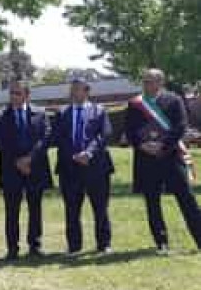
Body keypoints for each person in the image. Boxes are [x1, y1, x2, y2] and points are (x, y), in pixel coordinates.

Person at [126, 68, 201, 253]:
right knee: (152, 202)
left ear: (160, 82)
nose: (146, 85)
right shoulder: (135, 104)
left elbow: (180, 126)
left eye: (150, 81)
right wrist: (142, 145)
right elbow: (130, 130)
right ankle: (161, 243)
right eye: (144, 81)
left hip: (171, 157)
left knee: (187, 199)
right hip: (146, 159)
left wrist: (162, 145)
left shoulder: (174, 100)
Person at [51, 78, 114, 255]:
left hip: (96, 167)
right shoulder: (62, 113)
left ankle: (104, 244)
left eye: (77, 89)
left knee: (100, 208)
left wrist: (88, 153)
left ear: (87, 91)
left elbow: (105, 134)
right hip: (69, 168)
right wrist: (74, 155)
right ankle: (74, 246)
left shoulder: (99, 110)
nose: (73, 93)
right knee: (72, 209)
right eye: (71, 89)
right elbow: (58, 137)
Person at [0, 80, 52, 260]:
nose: (13, 97)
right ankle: (12, 248)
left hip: (35, 168)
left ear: (27, 95)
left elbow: (45, 138)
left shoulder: (40, 114)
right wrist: (18, 162)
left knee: (35, 209)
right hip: (11, 170)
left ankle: (35, 245)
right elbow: (0, 142)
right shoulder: (1, 116)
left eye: (17, 93)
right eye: (11, 93)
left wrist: (29, 159)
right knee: (12, 211)